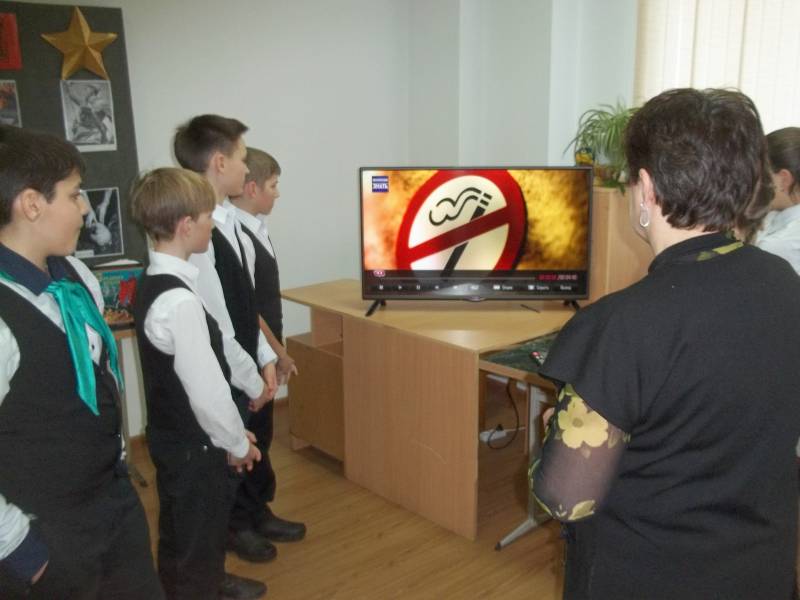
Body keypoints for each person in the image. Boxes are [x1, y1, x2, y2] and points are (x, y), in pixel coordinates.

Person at [530, 89, 800, 599]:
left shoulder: (622, 323)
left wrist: (554, 435)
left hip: (649, 576)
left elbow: (567, 497)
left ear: (647, 189)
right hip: (760, 571)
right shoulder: (785, 282)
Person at [0, 125, 163, 599]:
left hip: (111, 500)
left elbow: (99, 374)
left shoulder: (75, 275)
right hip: (47, 528)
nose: (86, 208)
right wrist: (19, 547)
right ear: (32, 204)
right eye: (74, 195)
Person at [130, 167, 265, 600]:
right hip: (194, 448)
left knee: (180, 531)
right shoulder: (179, 302)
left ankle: (187, 585)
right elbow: (207, 393)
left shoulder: (158, 282)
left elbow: (218, 346)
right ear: (186, 225)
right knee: (197, 539)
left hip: (175, 440)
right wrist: (237, 443)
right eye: (208, 217)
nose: (212, 225)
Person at [173, 115, 282, 571]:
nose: (245, 167)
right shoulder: (198, 232)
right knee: (229, 455)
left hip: (246, 364)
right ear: (220, 163)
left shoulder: (232, 222)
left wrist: (267, 357)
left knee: (256, 442)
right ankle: (235, 529)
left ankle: (255, 513)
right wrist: (251, 378)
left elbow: (246, 304)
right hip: (226, 371)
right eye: (240, 157)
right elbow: (217, 324)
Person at [229, 148, 305, 543]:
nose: (278, 193)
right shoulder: (234, 235)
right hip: (252, 354)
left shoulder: (254, 227)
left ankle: (258, 510)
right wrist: (278, 353)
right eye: (273, 186)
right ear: (252, 188)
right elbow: (250, 310)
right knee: (247, 435)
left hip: (264, 353)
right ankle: (239, 522)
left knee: (263, 433)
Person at [754, 127, 800, 274]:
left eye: (760, 176)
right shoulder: (774, 216)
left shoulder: (775, 246)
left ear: (784, 179)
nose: (754, 184)